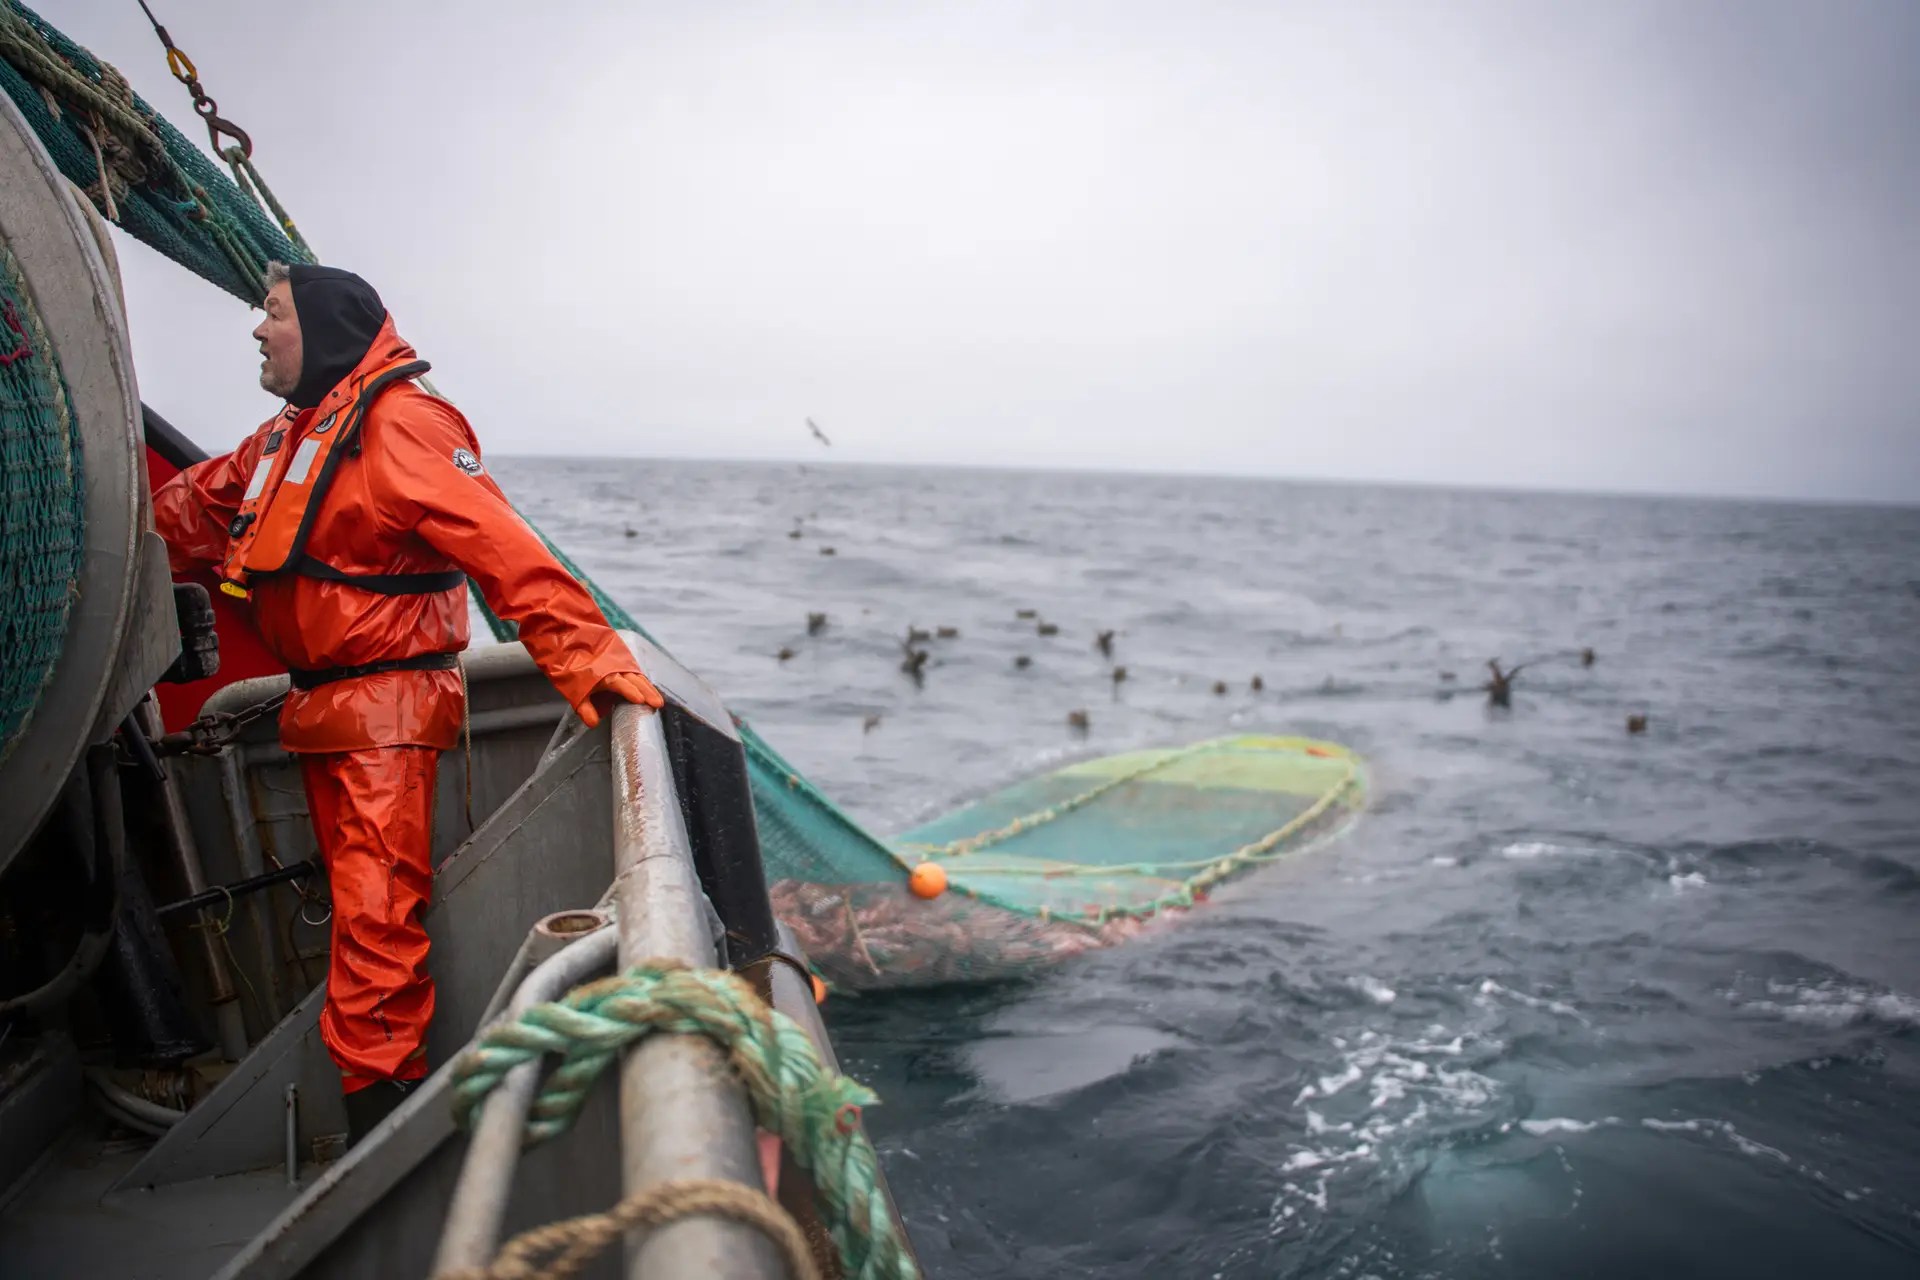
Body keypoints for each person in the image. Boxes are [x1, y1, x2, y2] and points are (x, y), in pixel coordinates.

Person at [153, 262, 663, 1141]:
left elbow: (508, 553)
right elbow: (187, 512)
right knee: (364, 923)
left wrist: (592, 662)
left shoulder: (403, 424)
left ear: (320, 328)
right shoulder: (288, 435)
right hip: (323, 713)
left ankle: (380, 1132)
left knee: (376, 925)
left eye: (272, 314)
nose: (258, 331)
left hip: (387, 716)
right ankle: (377, 1111)